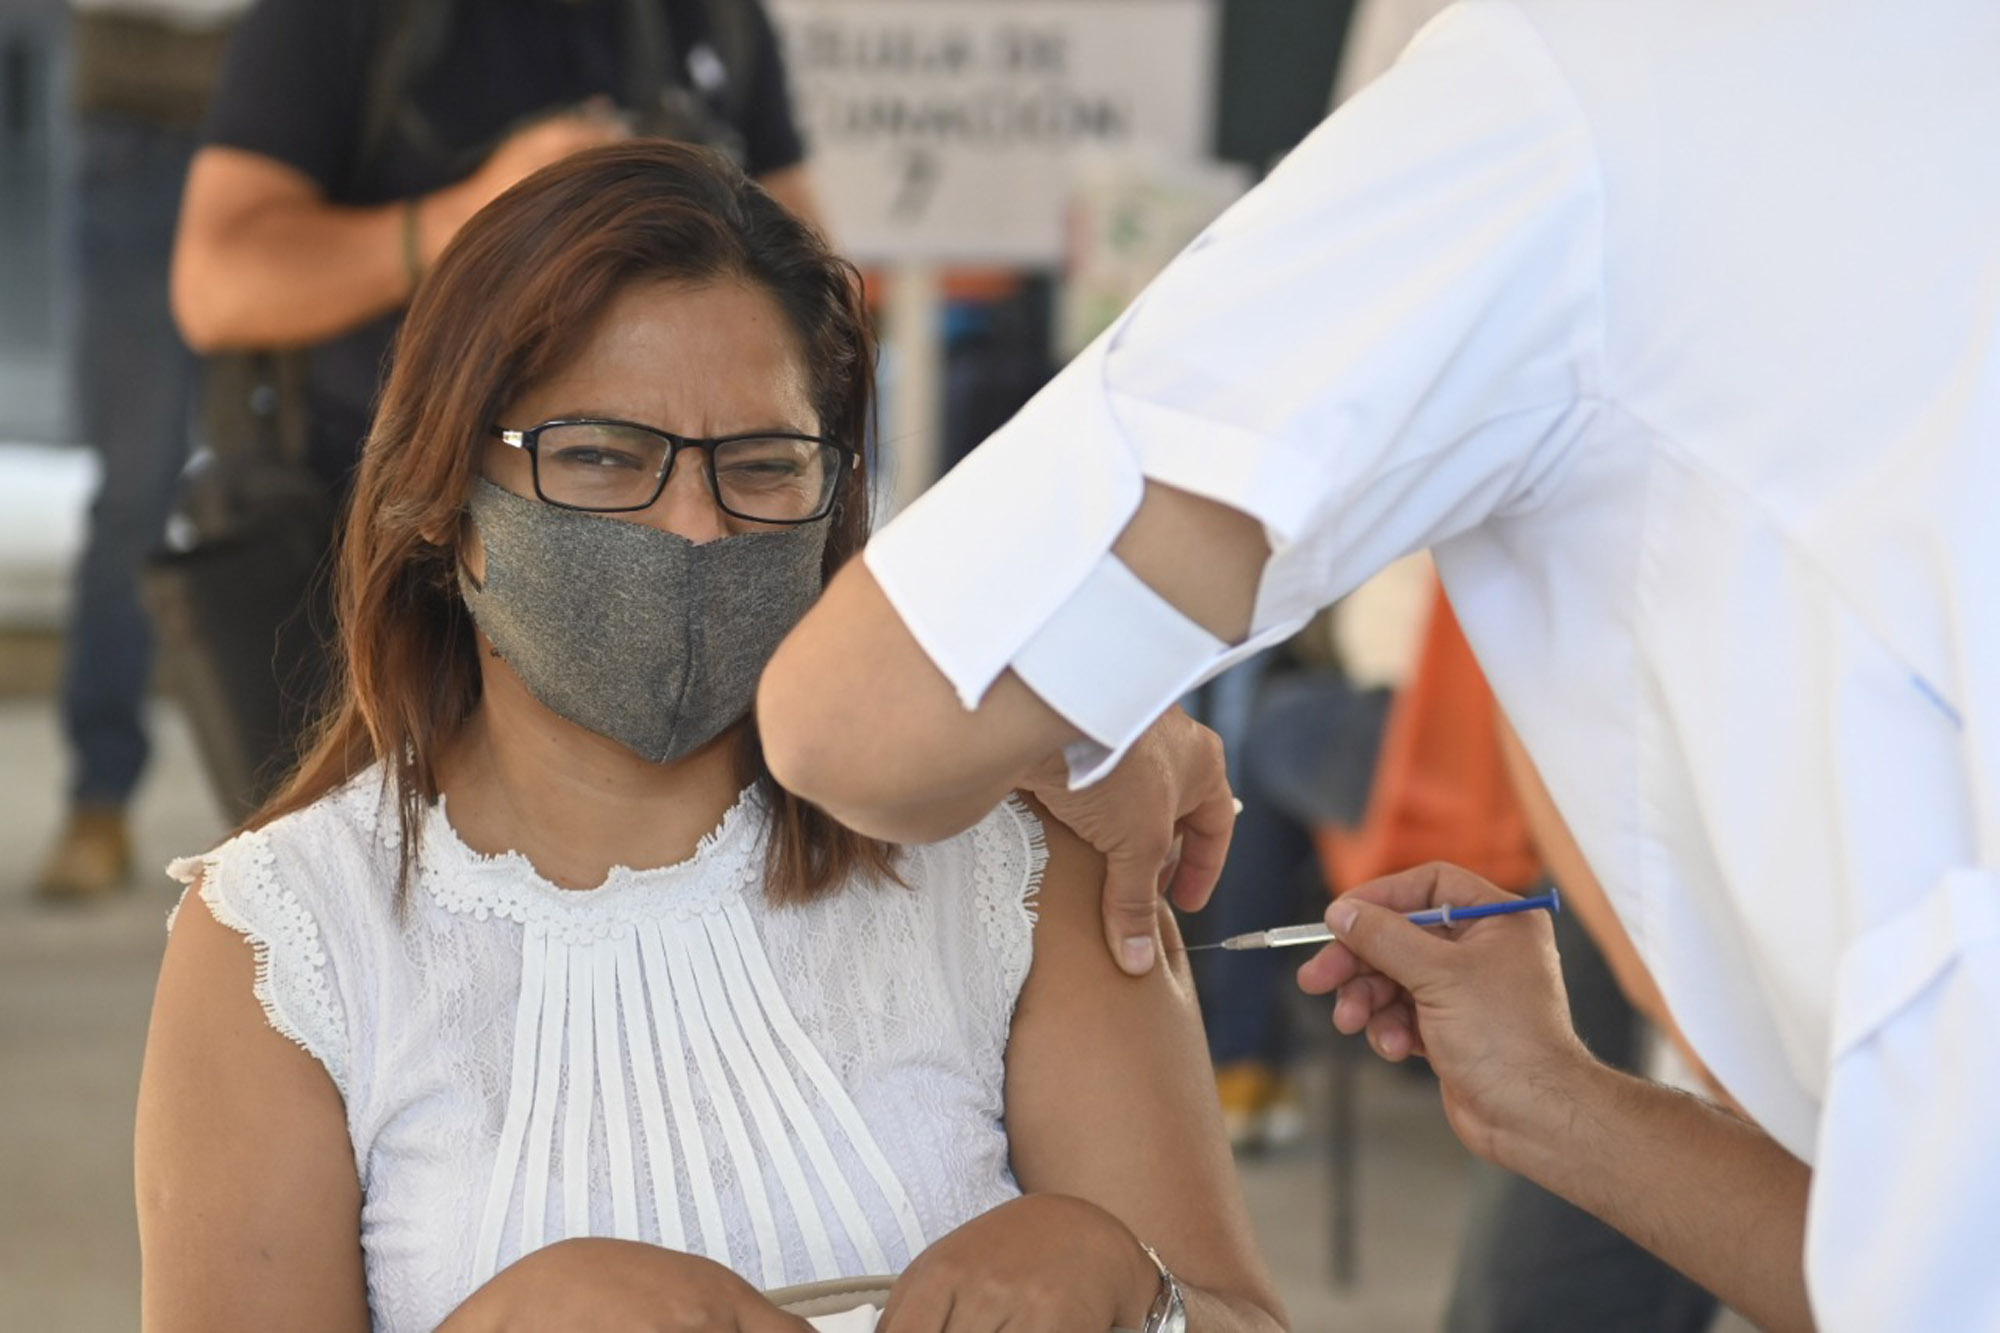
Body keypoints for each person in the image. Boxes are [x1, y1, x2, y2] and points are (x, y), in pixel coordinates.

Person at [756, 2, 2000, 1329]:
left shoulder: (1566, 92)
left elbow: (859, 717)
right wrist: (1562, 1101)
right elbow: (1919, 1268)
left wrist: (1091, 731)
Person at [134, 141, 1285, 1333]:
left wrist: (1128, 1286)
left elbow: (1241, 1315)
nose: (691, 524)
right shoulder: (288, 941)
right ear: (447, 501)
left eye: (761, 465)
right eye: (600, 457)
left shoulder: (1018, 869)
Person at [163, 0, 817, 811]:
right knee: (361, 878)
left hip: (666, 552)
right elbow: (215, 283)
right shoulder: (336, 19)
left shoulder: (718, 18)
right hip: (355, 556)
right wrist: (474, 215)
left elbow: (809, 281)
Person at [33, 0, 245, 901]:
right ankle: (99, 795)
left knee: (304, 478)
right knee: (132, 490)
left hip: (294, 125)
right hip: (140, 131)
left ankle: (308, 801)